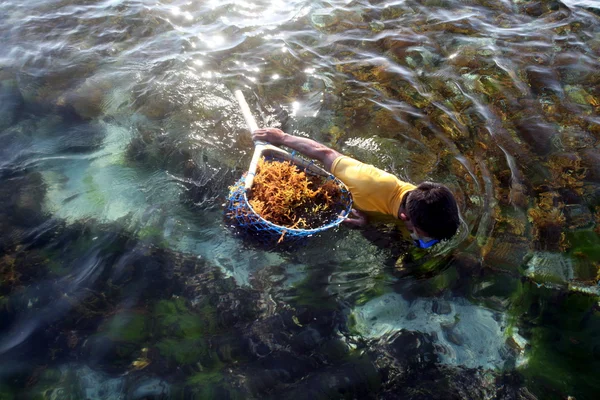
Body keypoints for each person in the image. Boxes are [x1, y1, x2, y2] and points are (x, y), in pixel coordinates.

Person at [252, 128, 460, 248]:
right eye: (424, 237)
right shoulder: (369, 184)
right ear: (406, 219)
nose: (427, 241)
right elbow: (325, 154)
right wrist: (281, 138)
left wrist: (367, 227)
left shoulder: (431, 206)